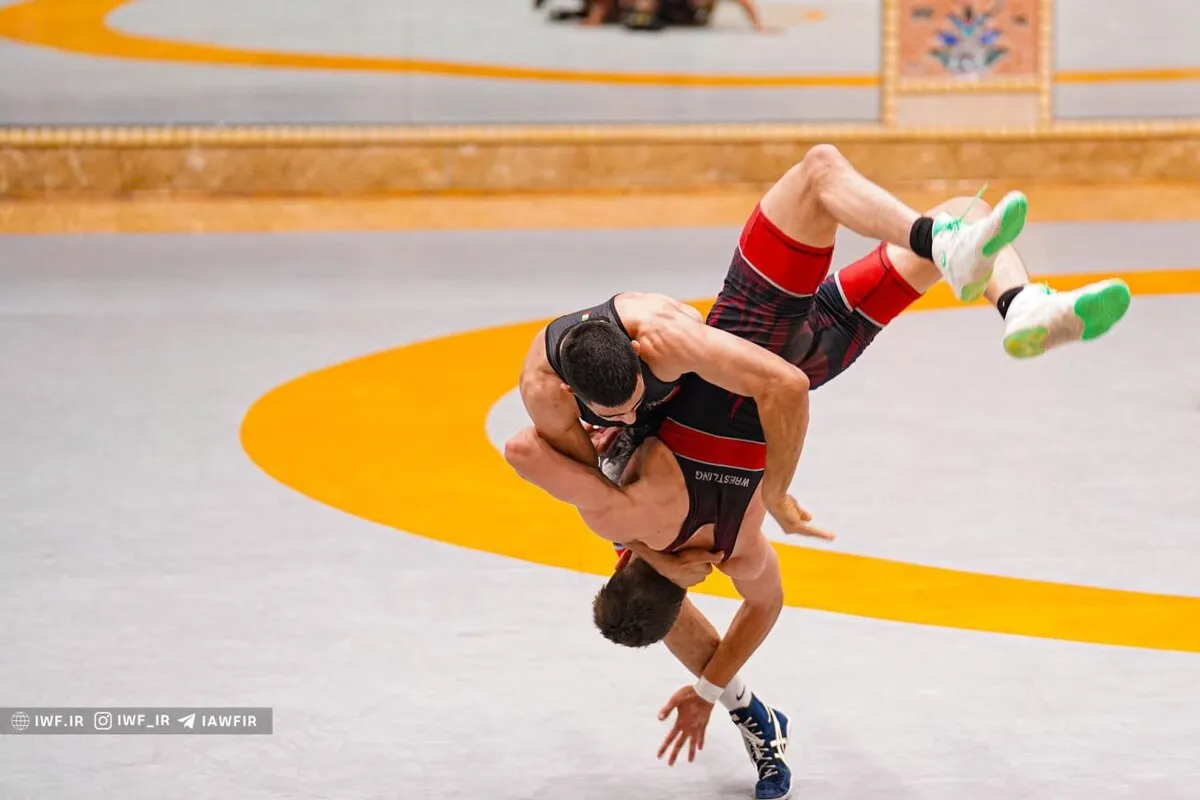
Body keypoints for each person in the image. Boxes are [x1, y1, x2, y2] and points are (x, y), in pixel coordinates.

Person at [506, 145, 1131, 800]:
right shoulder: (626, 504)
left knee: (960, 217)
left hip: (818, 354)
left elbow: (760, 606)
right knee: (821, 173)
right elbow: (526, 451)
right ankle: (1002, 289)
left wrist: (712, 689)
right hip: (758, 338)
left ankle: (1021, 302)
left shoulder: (736, 551)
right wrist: (759, 491)